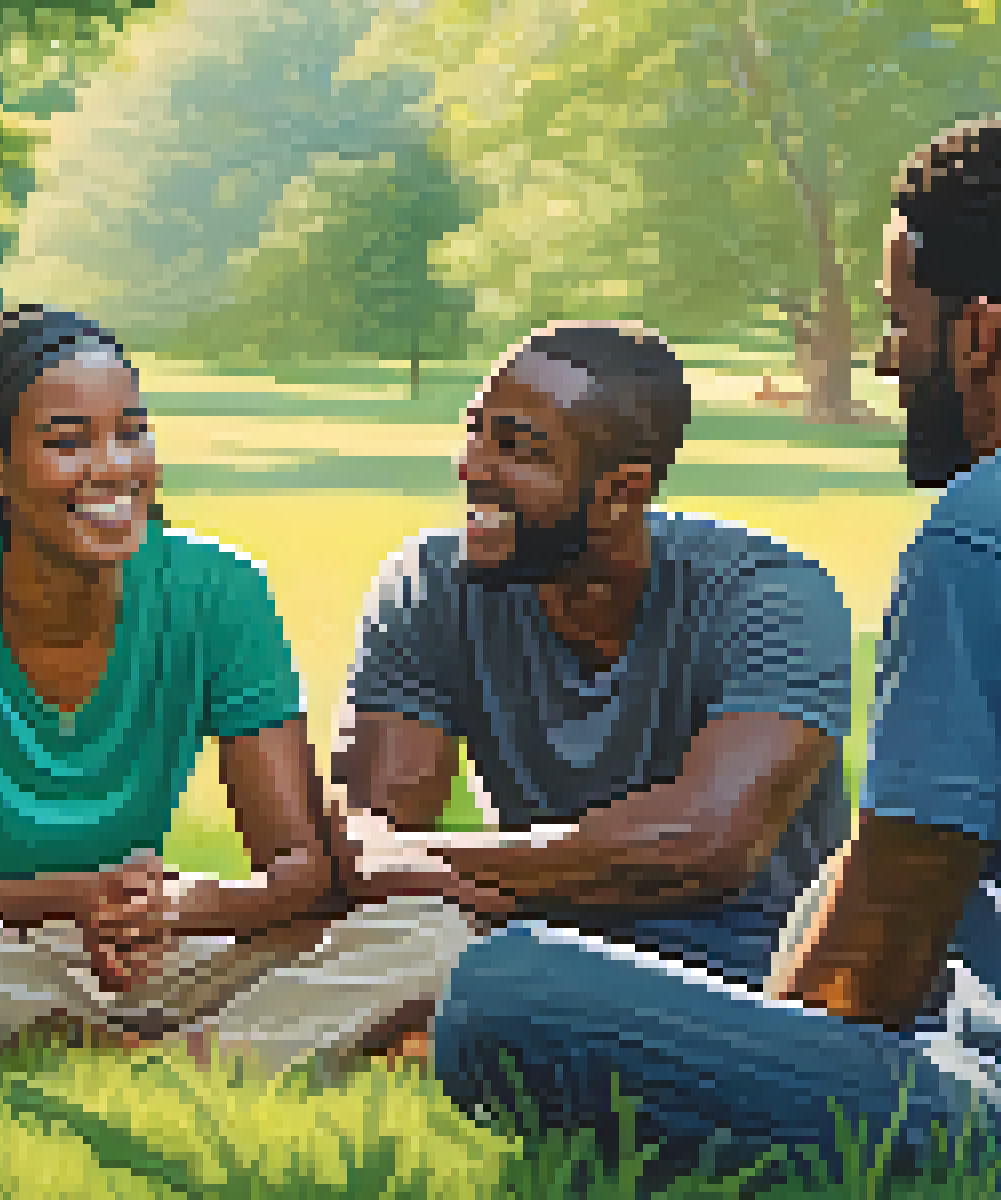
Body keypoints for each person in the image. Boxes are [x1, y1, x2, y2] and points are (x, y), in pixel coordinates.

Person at [429, 116, 1001, 1184]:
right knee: (711, 943)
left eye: (901, 320)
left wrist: (747, 1058)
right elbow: (893, 869)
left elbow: (866, 976)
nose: (883, 355)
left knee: (509, 993)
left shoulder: (991, 531)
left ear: (981, 334)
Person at [0, 304, 474, 1078]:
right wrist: (73, 896)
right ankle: (209, 1063)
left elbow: (299, 866)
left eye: (131, 431)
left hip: (144, 950)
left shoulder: (220, 591)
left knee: (433, 928)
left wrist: (188, 907)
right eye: (67, 441)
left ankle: (137, 1066)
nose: (114, 466)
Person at [334, 321, 858, 1054]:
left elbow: (710, 843)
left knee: (472, 973)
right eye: (476, 433)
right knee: (377, 940)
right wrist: (399, 863)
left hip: (743, 957)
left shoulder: (775, 595)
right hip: (522, 921)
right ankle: (189, 1055)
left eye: (516, 449)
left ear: (622, 491)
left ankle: (404, 1034)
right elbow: (370, 829)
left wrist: (425, 861)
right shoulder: (433, 581)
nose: (470, 467)